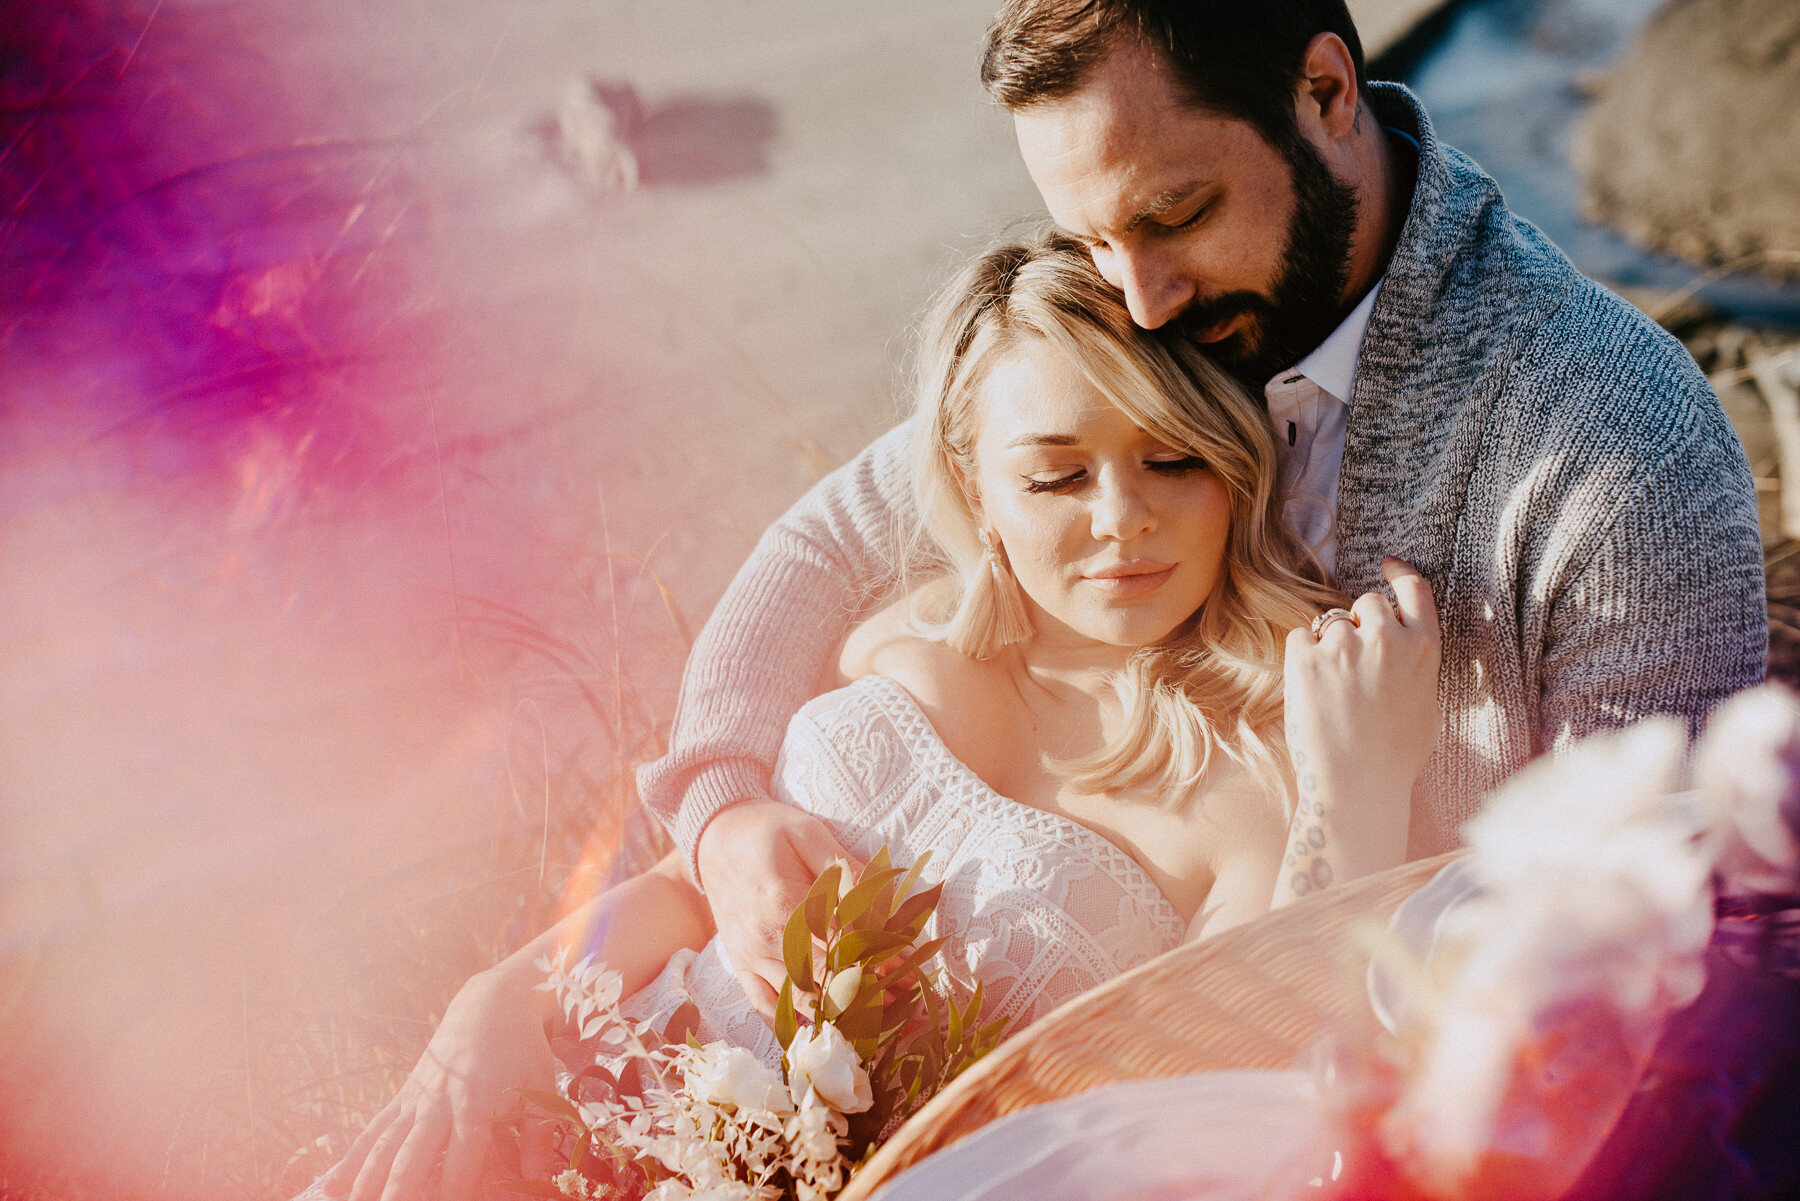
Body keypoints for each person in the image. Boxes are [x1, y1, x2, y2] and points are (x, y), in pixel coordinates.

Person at [640, 0, 1767, 1021]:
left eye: (1176, 212)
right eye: (1090, 237)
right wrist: (721, 811)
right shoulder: (1180, 310)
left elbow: (1634, 942)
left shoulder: (1619, 447)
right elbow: (830, 539)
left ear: (1326, 94)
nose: (1139, 297)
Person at [308, 228, 1441, 1201]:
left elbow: (1249, 1085)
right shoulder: (898, 636)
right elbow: (691, 900)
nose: (1122, 520)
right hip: (572, 1101)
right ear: (975, 484)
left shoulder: (1253, 778)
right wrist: (504, 996)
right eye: (1056, 476)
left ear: (1238, 470)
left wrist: (1359, 792)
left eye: (1172, 459)